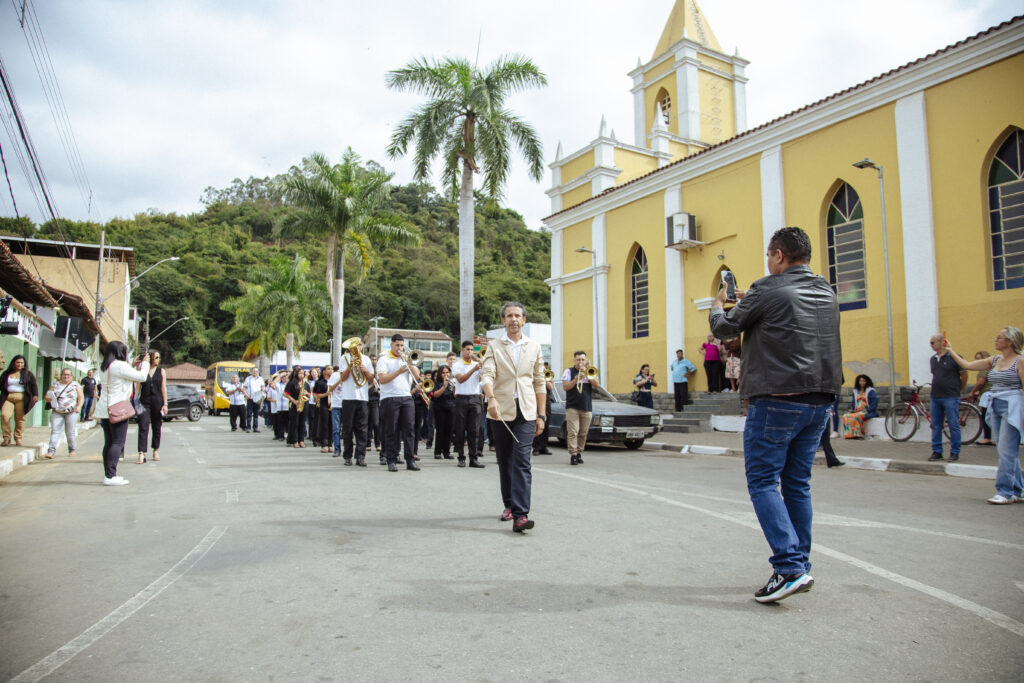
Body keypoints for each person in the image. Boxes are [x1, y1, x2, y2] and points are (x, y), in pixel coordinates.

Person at [709, 226, 842, 604]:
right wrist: (753, 300)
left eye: (769, 255)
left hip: (778, 398)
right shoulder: (826, 290)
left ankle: (788, 568)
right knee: (797, 484)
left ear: (779, 255)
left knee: (763, 482)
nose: (768, 262)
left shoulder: (767, 288)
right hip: (821, 399)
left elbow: (725, 327)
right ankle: (801, 564)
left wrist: (718, 303)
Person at [480, 301, 546, 533]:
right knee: (505, 460)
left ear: (524, 320)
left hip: (526, 411)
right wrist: (491, 398)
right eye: (509, 316)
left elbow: (539, 381)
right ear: (503, 320)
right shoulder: (494, 346)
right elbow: (487, 374)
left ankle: (520, 515)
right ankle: (509, 504)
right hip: (500, 411)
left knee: (522, 461)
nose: (514, 319)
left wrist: (541, 415)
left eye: (517, 315)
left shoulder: (534, 346)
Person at [944, 328, 1024, 504]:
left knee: (1007, 450)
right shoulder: (995, 360)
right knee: (1005, 450)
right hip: (995, 405)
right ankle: (1018, 490)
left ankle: (1005, 492)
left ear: (1010, 341)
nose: (996, 339)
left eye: (999, 337)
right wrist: (950, 350)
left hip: (1012, 406)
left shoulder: (1020, 361)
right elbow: (967, 365)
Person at [94, 343, 150, 485]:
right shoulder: (119, 365)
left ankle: (108, 474)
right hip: (118, 408)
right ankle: (111, 476)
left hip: (105, 409)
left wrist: (131, 366)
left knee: (109, 442)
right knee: (118, 442)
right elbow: (142, 377)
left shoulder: (104, 366)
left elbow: (121, 378)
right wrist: (145, 363)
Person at [376, 334, 421, 471]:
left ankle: (410, 460)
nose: (399, 348)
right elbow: (382, 379)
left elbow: (417, 376)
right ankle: (391, 460)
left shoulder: (405, 359)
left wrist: (409, 362)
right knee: (391, 430)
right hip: (389, 397)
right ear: (391, 345)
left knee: (409, 430)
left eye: (402, 345)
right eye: (397, 345)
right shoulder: (384, 359)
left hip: (406, 397)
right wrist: (399, 371)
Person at [927, 333, 967, 462]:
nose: (931, 345)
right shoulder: (933, 359)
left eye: (933, 342)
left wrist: (959, 389)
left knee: (953, 425)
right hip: (935, 396)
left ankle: (955, 451)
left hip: (950, 396)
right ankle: (937, 451)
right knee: (936, 425)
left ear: (941, 342)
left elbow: (964, 375)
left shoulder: (954, 357)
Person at [336, 341, 374, 466]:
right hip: (348, 397)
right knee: (347, 429)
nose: (357, 347)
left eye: (359, 345)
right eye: (354, 345)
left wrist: (365, 370)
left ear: (362, 346)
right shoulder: (344, 358)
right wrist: (350, 366)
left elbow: (371, 380)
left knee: (362, 429)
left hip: (363, 398)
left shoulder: (366, 359)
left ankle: (360, 456)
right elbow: (342, 378)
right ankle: (347, 456)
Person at [561, 350, 599, 465]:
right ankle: (573, 454)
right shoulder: (568, 371)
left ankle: (579, 452)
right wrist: (576, 378)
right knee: (573, 431)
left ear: (586, 360)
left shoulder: (590, 371)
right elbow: (566, 387)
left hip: (586, 406)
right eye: (578, 360)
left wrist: (588, 375)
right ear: (574, 360)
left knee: (583, 433)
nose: (580, 362)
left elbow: (597, 385)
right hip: (572, 406)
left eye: (583, 359)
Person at [452, 340, 485, 468]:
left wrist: (480, 364)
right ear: (462, 350)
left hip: (475, 398)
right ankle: (461, 458)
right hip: (461, 399)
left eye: (471, 350)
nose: (470, 352)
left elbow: (484, 376)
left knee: (474, 431)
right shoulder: (457, 365)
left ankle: (473, 458)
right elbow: (460, 379)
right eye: (467, 349)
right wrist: (474, 369)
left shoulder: (477, 364)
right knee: (460, 430)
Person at [135, 350, 168, 463]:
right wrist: (135, 402)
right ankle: (141, 453)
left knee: (157, 426)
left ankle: (155, 450)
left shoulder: (161, 371)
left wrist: (165, 404)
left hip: (157, 401)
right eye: (156, 357)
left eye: (159, 357)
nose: (158, 359)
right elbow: (137, 388)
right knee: (143, 426)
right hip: (144, 402)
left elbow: (163, 388)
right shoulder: (142, 370)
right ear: (151, 358)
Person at [1, 355, 39, 447]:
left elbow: (33, 385)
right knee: (4, 416)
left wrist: (35, 395)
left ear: (24, 364)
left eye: (22, 363)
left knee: (20, 419)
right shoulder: (7, 373)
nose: (19, 364)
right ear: (14, 363)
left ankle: (18, 438)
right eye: (18, 362)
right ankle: (6, 437)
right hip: (8, 397)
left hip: (21, 398)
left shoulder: (28, 374)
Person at [44, 367, 83, 459]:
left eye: (68, 375)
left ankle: (72, 449)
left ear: (71, 376)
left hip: (71, 412)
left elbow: (81, 397)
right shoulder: (55, 385)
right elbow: (47, 396)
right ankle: (51, 451)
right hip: (57, 411)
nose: (66, 376)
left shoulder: (75, 385)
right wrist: (49, 398)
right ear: (61, 375)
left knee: (70, 432)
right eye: (64, 374)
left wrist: (79, 407)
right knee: (55, 431)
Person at [430, 365, 456, 459]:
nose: (445, 375)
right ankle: (437, 452)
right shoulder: (436, 383)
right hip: (439, 407)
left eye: (447, 372)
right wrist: (444, 386)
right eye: (443, 373)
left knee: (449, 430)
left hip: (451, 407)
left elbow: (455, 396)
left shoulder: (451, 382)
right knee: (440, 430)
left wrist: (455, 388)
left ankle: (446, 452)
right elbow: (436, 395)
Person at [841, 375, 878, 439]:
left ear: (867, 382)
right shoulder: (855, 391)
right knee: (846, 416)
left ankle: (859, 435)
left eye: (864, 381)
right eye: (860, 381)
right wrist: (853, 409)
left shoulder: (870, 391)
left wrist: (868, 410)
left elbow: (874, 402)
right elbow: (854, 402)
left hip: (867, 411)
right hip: (857, 411)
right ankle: (849, 435)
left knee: (858, 416)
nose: (862, 383)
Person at [969, 351, 994, 446]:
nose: (976, 361)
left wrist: (972, 392)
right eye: (976, 359)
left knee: (985, 416)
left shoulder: (984, 368)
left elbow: (981, 382)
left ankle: (987, 438)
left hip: (988, 395)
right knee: (992, 417)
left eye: (978, 359)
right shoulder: (990, 367)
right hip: (990, 393)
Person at [284, 366, 308, 448]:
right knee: (295, 423)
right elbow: (285, 394)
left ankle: (301, 440)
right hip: (295, 404)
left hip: (304, 404)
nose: (301, 375)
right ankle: (295, 440)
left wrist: (306, 394)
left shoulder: (305, 383)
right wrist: (294, 401)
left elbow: (309, 395)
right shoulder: (291, 383)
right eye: (300, 373)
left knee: (302, 423)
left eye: (303, 373)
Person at [532, 364, 554, 456]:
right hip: (535, 400)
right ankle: (536, 448)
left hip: (546, 401)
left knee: (546, 424)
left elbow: (551, 387)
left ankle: (543, 446)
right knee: (536, 423)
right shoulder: (533, 375)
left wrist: (543, 379)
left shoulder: (547, 376)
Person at [241, 366, 265, 434]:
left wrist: (262, 391)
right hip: (250, 398)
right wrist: (246, 395)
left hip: (257, 399)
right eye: (254, 371)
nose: (255, 372)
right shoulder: (248, 379)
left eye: (256, 371)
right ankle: (248, 427)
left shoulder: (260, 379)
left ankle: (255, 428)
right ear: (252, 372)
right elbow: (243, 388)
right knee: (249, 413)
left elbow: (263, 387)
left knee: (256, 414)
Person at [313, 366, 332, 452]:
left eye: (331, 369)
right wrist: (326, 394)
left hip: (333, 405)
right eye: (328, 369)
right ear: (324, 371)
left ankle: (330, 444)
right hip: (324, 404)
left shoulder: (334, 381)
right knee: (324, 424)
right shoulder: (320, 382)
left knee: (332, 424)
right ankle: (323, 444)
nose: (330, 371)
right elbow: (317, 395)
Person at [367, 353, 381, 455]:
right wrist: (372, 383)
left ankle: (377, 443)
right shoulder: (366, 373)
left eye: (375, 359)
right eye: (372, 359)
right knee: (367, 423)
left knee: (376, 423)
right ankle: (368, 443)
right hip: (366, 399)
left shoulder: (379, 372)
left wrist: (379, 390)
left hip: (375, 399)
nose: (374, 361)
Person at [267, 371, 287, 441]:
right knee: (279, 422)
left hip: (288, 407)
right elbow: (272, 385)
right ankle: (280, 435)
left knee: (287, 422)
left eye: (286, 376)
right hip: (280, 407)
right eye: (283, 377)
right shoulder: (278, 385)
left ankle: (287, 435)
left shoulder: (289, 384)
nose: (285, 378)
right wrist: (279, 375)